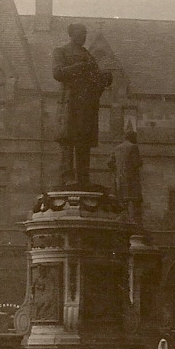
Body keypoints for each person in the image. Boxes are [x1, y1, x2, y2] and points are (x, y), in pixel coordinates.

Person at [53, 23, 112, 187]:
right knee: (68, 141)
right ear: (71, 33)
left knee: (83, 143)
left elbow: (95, 81)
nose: (84, 36)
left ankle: (83, 178)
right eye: (81, 33)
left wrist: (104, 78)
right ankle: (67, 177)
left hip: (86, 105)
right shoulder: (61, 51)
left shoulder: (89, 56)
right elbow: (57, 73)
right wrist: (79, 67)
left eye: (85, 33)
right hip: (70, 102)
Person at [108, 129, 143, 225]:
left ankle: (123, 219)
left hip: (119, 178)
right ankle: (134, 222)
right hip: (131, 178)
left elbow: (109, 162)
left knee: (122, 200)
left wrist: (117, 170)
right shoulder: (133, 147)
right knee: (134, 201)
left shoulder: (117, 147)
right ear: (132, 137)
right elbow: (137, 163)